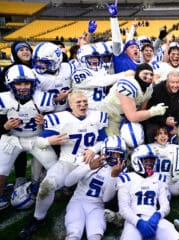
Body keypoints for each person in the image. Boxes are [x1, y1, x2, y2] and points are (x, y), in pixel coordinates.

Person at [18, 90, 108, 239]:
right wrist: (49, 141)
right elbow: (39, 142)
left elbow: (104, 140)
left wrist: (93, 149)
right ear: (70, 105)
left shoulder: (97, 116)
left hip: (92, 161)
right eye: (78, 102)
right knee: (46, 186)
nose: (83, 104)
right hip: (69, 161)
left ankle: (108, 210)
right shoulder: (60, 118)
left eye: (85, 101)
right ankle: (38, 218)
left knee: (112, 178)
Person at [0, 65, 58, 210]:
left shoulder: (43, 98)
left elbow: (57, 121)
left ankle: (37, 186)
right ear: (10, 84)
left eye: (26, 83)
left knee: (56, 169)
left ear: (33, 84)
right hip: (12, 138)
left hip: (36, 138)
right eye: (18, 83)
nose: (23, 87)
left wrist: (46, 121)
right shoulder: (3, 99)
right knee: (1, 169)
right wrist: (4, 126)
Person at [129, 126, 179, 223]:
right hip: (155, 184)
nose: (163, 136)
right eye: (160, 133)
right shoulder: (148, 148)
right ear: (155, 136)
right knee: (156, 202)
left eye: (165, 133)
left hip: (170, 184)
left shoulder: (174, 147)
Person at [63, 136, 125, 240]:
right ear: (105, 151)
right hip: (77, 202)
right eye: (113, 153)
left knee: (95, 235)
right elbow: (68, 182)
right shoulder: (92, 159)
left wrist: (113, 176)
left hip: (97, 206)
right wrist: (89, 167)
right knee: (73, 234)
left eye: (119, 154)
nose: (116, 157)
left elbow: (106, 199)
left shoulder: (120, 171)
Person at [118, 153, 179, 240]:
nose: (150, 163)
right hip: (133, 219)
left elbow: (165, 206)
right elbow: (123, 208)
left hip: (153, 218)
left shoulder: (160, 178)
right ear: (137, 161)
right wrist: (138, 222)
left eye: (152, 160)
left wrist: (157, 215)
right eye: (146, 161)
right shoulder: (126, 178)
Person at [0, 40, 34, 189]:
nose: (25, 52)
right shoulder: (9, 70)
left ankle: (37, 177)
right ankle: (19, 177)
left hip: (33, 111)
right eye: (21, 50)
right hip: (14, 111)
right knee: (14, 143)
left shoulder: (37, 67)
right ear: (15, 53)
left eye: (27, 49)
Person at [101, 63, 168, 136]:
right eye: (145, 73)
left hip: (124, 119)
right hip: (110, 118)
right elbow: (132, 116)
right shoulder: (128, 84)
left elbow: (141, 110)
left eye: (151, 74)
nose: (149, 77)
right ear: (137, 74)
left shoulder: (149, 88)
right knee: (115, 143)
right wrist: (153, 112)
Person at [71, 43, 134, 110]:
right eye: (91, 58)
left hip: (101, 109)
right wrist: (123, 74)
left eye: (97, 57)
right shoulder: (78, 74)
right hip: (85, 110)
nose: (95, 60)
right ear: (82, 59)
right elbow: (101, 81)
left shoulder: (101, 70)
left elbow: (110, 81)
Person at [141, 70, 179, 143]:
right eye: (172, 82)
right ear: (167, 81)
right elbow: (148, 112)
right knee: (152, 133)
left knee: (174, 138)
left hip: (171, 123)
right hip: (154, 121)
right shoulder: (156, 90)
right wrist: (164, 120)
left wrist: (176, 124)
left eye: (178, 82)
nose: (175, 85)